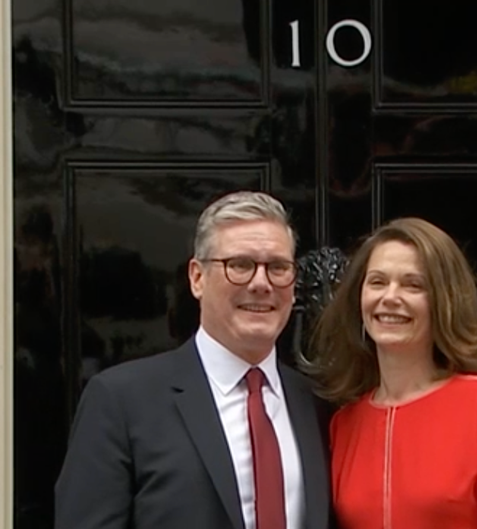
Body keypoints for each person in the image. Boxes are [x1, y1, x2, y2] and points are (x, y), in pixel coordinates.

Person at [55, 191, 333, 529]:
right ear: (197, 278)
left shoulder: (316, 404)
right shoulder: (121, 402)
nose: (261, 283)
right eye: (240, 265)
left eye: (278, 267)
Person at [309, 217, 477, 529]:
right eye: (377, 282)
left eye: (413, 284)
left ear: (444, 301)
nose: (390, 297)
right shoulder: (344, 424)